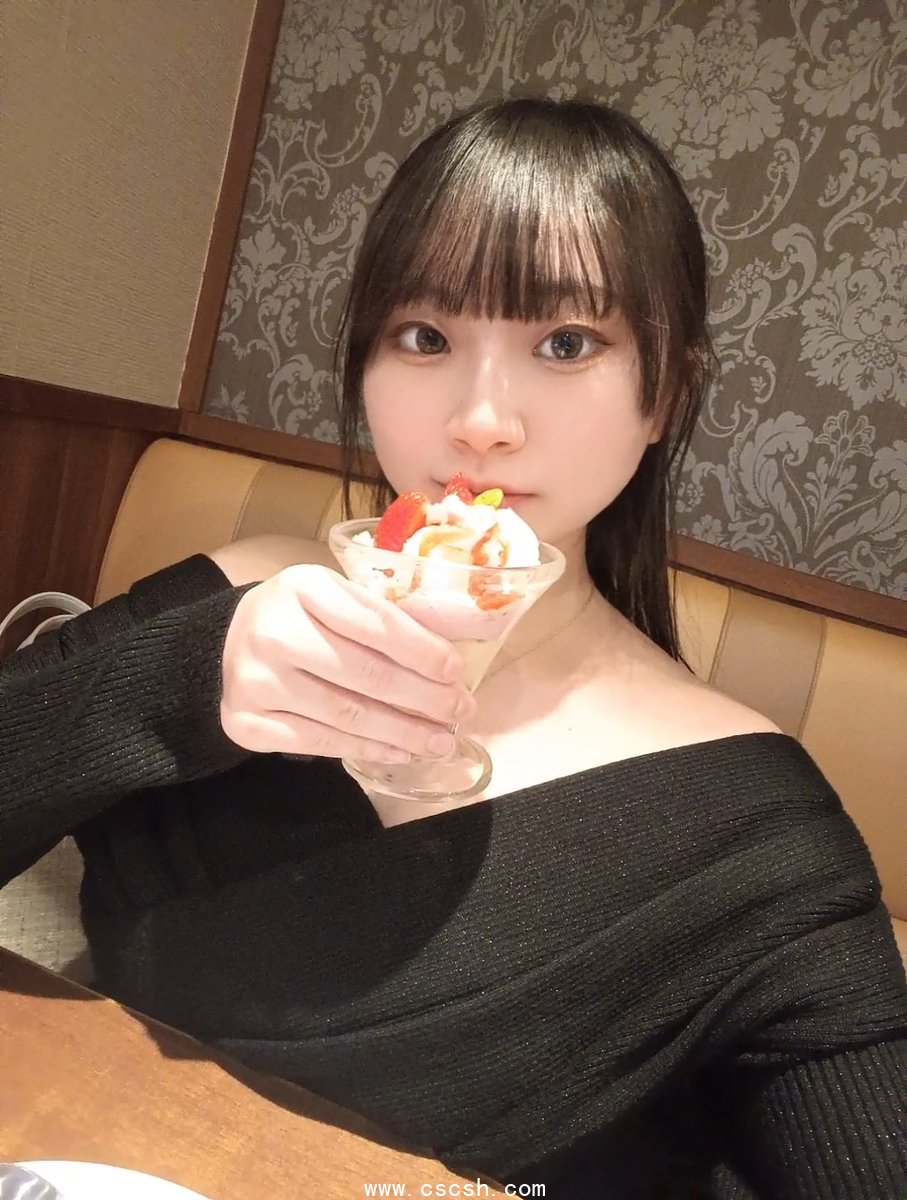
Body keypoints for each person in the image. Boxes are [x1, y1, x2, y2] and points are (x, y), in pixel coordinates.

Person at [1, 98, 905, 1198]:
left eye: (565, 343)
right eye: (424, 336)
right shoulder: (236, 596)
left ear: (665, 393)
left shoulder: (754, 837)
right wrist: (181, 684)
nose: (480, 420)